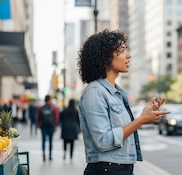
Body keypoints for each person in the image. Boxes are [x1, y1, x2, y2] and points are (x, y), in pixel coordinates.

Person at [77, 29, 170, 175]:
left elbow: (122, 129)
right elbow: (103, 141)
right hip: (107, 170)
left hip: (121, 168)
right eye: (121, 50)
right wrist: (141, 120)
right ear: (106, 57)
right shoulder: (94, 92)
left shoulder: (117, 93)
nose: (129, 55)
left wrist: (145, 114)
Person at [36, 95, 59, 162]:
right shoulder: (54, 107)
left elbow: (38, 117)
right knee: (50, 141)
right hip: (51, 126)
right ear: (50, 100)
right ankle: (50, 155)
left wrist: (39, 125)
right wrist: (56, 125)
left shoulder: (41, 108)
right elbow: (56, 117)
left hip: (43, 126)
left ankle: (43, 154)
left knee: (43, 140)